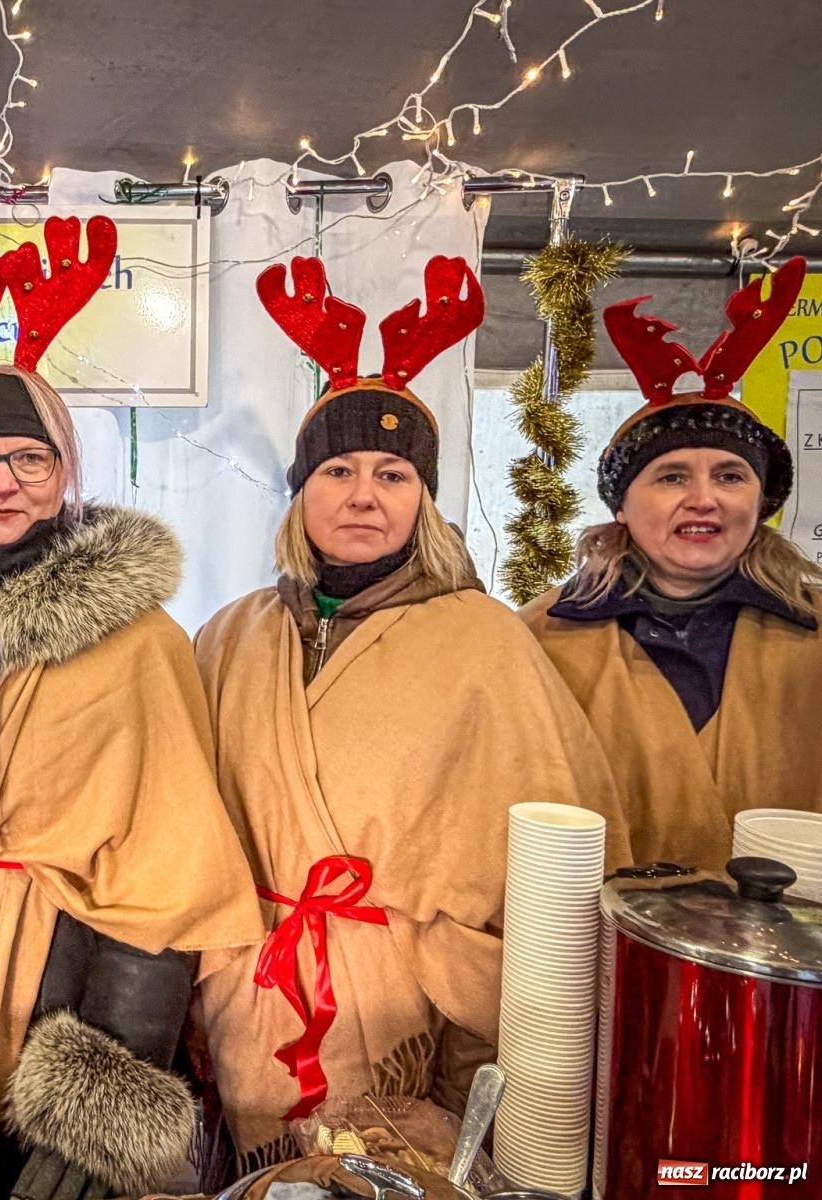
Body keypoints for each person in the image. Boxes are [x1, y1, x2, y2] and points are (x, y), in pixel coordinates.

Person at [195, 256, 627, 1173]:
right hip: (246, 991)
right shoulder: (232, 634)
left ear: (424, 499)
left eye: (393, 475)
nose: (363, 494)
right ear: (300, 492)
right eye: (339, 469)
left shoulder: (486, 642)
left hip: (411, 1009)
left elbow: (550, 857)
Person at [0, 218, 263, 1200]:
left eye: (28, 460)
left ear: (64, 474)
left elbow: (164, 879)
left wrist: (96, 1102)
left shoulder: (134, 641)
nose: (2, 481)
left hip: (50, 979)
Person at [523, 257, 822, 869]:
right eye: (671, 476)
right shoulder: (537, 638)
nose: (704, 498)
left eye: (730, 476)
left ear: (760, 502)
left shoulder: (815, 633)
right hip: (594, 945)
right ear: (623, 505)